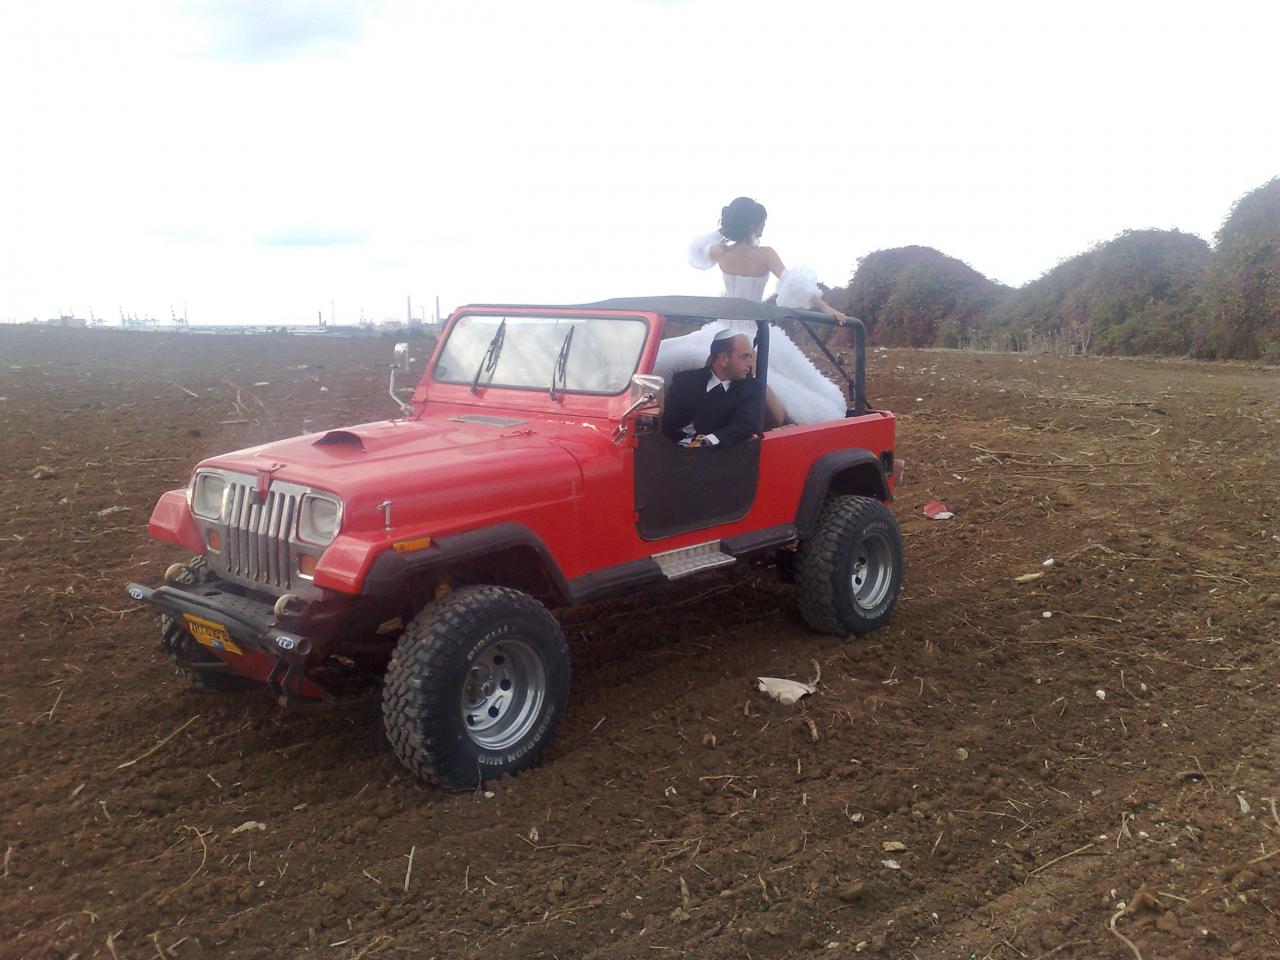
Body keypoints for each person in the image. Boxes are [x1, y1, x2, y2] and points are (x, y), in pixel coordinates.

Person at [654, 197, 847, 427]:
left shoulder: (719, 252)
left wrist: (725, 230)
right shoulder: (766, 254)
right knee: (785, 381)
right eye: (762, 222)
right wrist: (826, 308)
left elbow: (697, 248)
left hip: (723, 328)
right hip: (754, 330)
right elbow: (794, 284)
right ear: (752, 225)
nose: (764, 226)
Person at [661, 331, 764, 449]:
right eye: (744, 357)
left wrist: (707, 441)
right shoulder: (684, 380)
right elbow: (666, 420)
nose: (750, 363)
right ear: (724, 359)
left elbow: (744, 425)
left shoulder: (751, 388)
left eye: (751, 357)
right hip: (669, 448)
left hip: (715, 453)